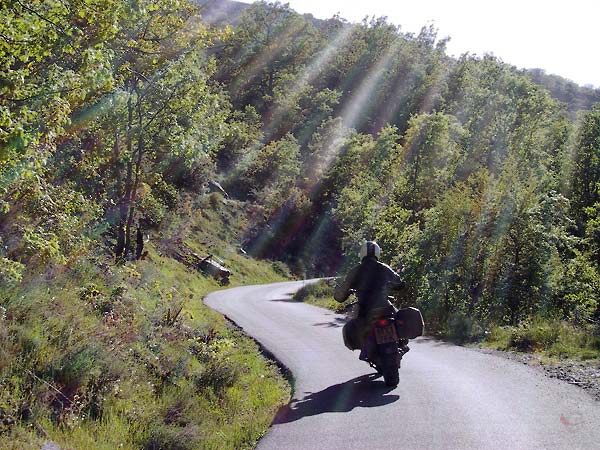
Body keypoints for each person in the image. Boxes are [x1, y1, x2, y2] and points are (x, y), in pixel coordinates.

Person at [334, 240, 408, 359]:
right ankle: (402, 342)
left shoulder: (355, 270)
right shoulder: (384, 267)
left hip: (364, 308)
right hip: (384, 305)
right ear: (377, 253)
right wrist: (396, 286)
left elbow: (340, 295)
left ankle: (366, 348)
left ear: (362, 253)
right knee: (397, 315)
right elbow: (398, 282)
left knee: (356, 323)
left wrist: (343, 293)